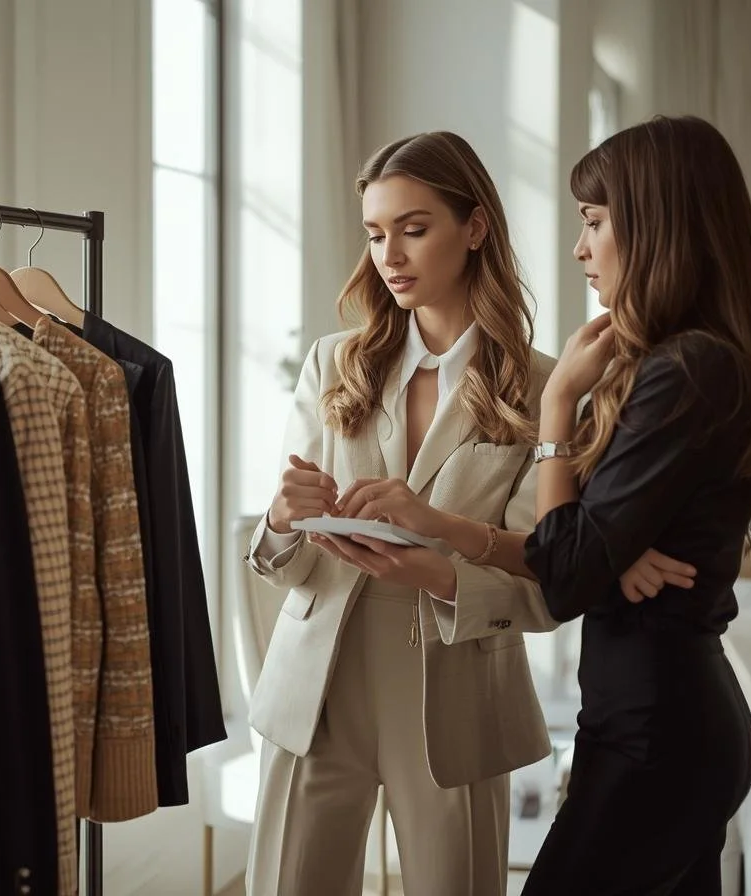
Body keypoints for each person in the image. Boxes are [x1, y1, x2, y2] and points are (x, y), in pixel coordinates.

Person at [241, 130, 693, 896]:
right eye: (377, 234)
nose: (391, 256)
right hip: (317, 690)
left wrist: (440, 573)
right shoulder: (331, 363)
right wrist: (283, 520)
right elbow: (284, 559)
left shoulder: (548, 388)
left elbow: (549, 574)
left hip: (456, 696)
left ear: (475, 228)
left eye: (414, 229)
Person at [520, 115, 751, 894]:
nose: (581, 247)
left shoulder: (689, 372)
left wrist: (556, 408)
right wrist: (606, 550)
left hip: (656, 736)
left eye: (595, 221)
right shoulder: (698, 362)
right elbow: (579, 548)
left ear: (658, 224)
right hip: (659, 725)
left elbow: (563, 576)